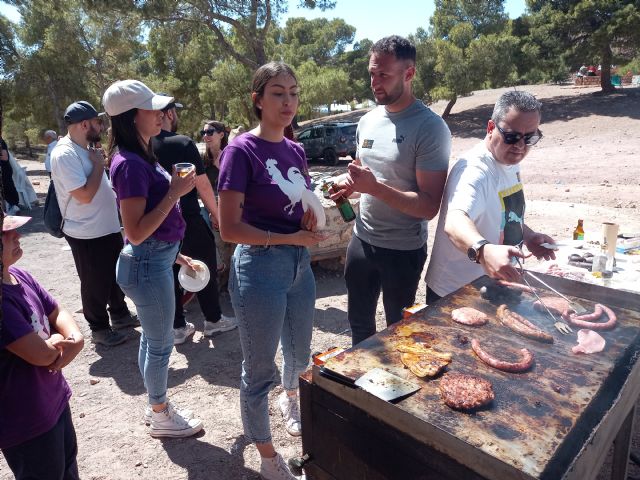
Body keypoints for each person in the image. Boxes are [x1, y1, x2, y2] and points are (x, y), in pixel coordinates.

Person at [218, 61, 326, 480]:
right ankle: (267, 456)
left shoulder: (294, 149)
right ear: (257, 100)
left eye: (294, 92)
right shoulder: (240, 151)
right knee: (258, 369)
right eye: (278, 92)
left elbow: (300, 205)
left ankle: (290, 397)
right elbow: (230, 229)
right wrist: (290, 239)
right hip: (259, 267)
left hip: (299, 264)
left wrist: (309, 221)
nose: (288, 101)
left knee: (300, 353)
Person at [331, 35, 451, 346]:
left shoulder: (430, 128)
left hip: (402, 250)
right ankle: (356, 391)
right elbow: (363, 179)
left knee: (399, 333)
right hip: (362, 240)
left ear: (409, 74)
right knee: (359, 328)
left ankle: (391, 394)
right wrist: (349, 187)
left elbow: (428, 207)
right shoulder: (368, 122)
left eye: (383, 75)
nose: (374, 82)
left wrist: (375, 188)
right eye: (372, 73)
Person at [102, 79, 203, 438]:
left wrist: (178, 256)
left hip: (152, 261)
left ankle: (156, 406)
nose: (160, 114)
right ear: (131, 117)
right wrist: (174, 192)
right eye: (152, 109)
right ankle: (160, 412)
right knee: (160, 344)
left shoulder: (140, 155)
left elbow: (149, 235)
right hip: (146, 264)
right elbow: (136, 231)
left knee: (153, 339)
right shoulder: (129, 164)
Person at [425, 90, 556, 301]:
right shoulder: (474, 171)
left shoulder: (507, 160)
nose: (520, 146)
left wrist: (527, 235)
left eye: (530, 138)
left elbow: (500, 213)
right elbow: (455, 221)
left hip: (493, 285)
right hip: (455, 293)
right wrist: (483, 252)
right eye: (512, 136)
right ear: (491, 128)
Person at [1, 214, 85, 480]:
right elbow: (39, 355)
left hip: (53, 400)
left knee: (67, 468)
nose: (17, 236)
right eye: (5, 234)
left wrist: (74, 337)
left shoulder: (19, 275)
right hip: (25, 421)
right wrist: (56, 347)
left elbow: (56, 310)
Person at [50, 101, 138, 347]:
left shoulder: (85, 148)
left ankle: (119, 313)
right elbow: (84, 195)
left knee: (114, 274)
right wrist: (99, 164)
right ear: (84, 124)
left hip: (106, 227)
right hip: (85, 232)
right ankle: (98, 327)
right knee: (94, 281)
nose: (101, 126)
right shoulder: (64, 153)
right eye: (98, 122)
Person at [152, 97, 236, 345]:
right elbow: (201, 185)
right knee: (204, 263)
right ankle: (213, 320)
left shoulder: (142, 146)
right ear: (167, 114)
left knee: (170, 270)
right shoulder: (182, 144)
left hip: (157, 222)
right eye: (174, 112)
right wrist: (219, 217)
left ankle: (177, 326)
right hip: (186, 217)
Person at [201, 119, 228, 194]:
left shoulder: (230, 157)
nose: (205, 136)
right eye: (203, 133)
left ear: (221, 135)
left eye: (209, 132)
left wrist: (222, 168)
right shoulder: (202, 157)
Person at [1, 135, 21, 215]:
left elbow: (5, 157)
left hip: (4, 170)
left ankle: (14, 206)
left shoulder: (1, 142)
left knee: (8, 188)